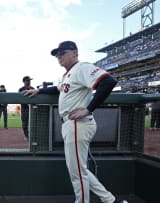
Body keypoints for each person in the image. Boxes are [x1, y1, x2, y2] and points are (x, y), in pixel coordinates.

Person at [25, 41, 125, 203]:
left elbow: (108, 82)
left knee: (77, 172)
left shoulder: (82, 68)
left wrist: (88, 109)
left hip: (78, 124)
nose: (58, 56)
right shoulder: (68, 75)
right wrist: (39, 90)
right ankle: (109, 200)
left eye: (62, 53)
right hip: (72, 125)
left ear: (74, 53)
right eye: (57, 54)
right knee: (79, 169)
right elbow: (57, 89)